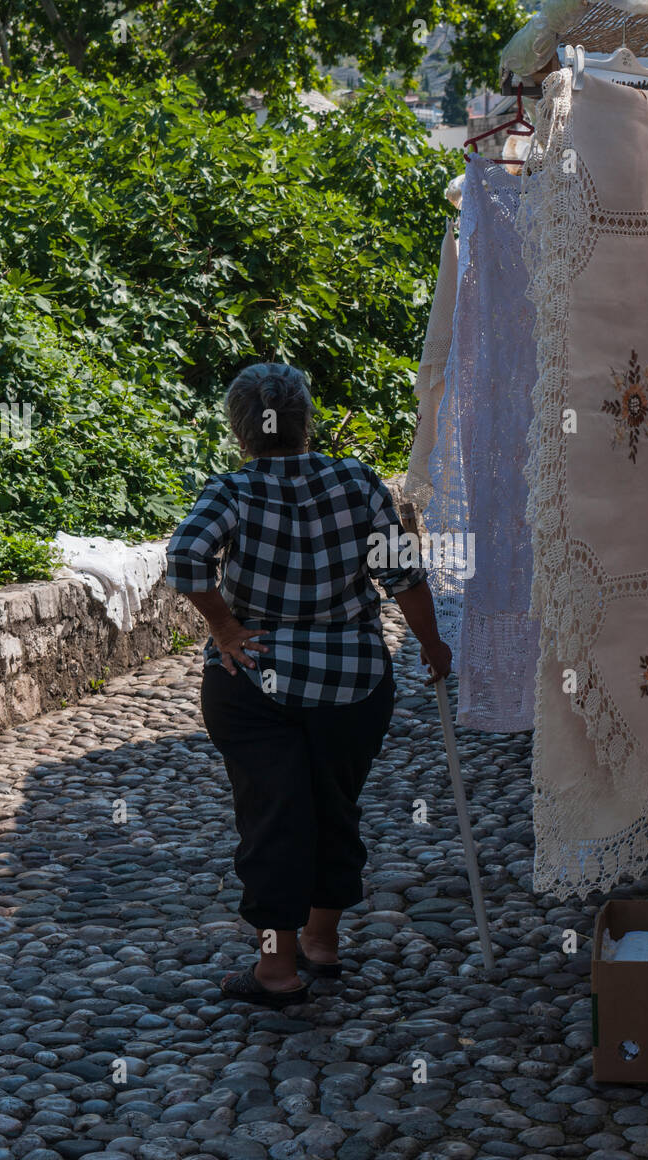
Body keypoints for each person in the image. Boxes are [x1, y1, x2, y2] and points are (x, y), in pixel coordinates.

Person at [166, 362, 452, 1007]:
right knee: (334, 804)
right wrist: (433, 647)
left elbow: (186, 556)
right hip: (352, 680)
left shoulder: (231, 490)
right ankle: (322, 943)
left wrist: (225, 628)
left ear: (241, 428)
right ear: (305, 422)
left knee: (273, 816)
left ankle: (276, 968)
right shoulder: (356, 479)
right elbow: (403, 575)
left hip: (253, 682)